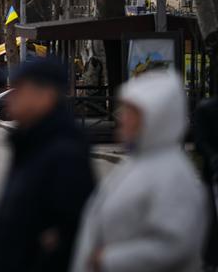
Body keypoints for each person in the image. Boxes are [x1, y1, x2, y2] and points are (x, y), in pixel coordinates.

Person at [71, 70, 207, 272]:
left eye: (132, 112)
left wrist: (108, 260)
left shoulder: (172, 174)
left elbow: (175, 245)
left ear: (156, 118)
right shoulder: (141, 162)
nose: (122, 119)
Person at [0, 57, 94, 272]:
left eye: (19, 89)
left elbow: (70, 233)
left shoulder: (64, 154)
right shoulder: (32, 143)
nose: (10, 97)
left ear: (45, 95)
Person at [195, 94, 218, 269]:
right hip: (212, 176)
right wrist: (213, 159)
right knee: (211, 220)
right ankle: (209, 260)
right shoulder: (206, 109)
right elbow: (200, 142)